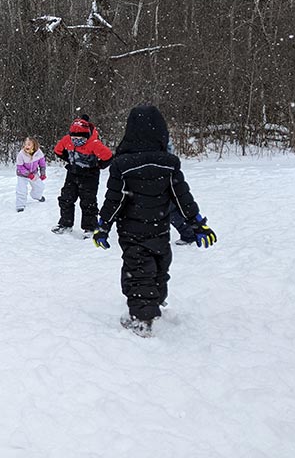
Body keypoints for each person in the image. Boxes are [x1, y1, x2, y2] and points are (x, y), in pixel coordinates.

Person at [91, 105, 217, 337]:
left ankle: (142, 318)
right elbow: (182, 198)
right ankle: (155, 301)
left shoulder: (123, 164)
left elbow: (114, 200)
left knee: (138, 271)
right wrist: (196, 222)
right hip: (160, 230)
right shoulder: (168, 163)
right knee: (160, 267)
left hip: (132, 230)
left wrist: (103, 225)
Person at [51, 115, 113, 237]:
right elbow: (58, 151)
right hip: (72, 174)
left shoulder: (94, 143)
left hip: (90, 177)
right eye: (73, 137)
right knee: (66, 199)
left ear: (86, 136)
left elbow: (109, 157)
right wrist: (69, 160)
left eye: (80, 137)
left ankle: (90, 228)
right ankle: (65, 224)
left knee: (88, 202)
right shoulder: (66, 140)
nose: (76, 139)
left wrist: (98, 166)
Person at [15, 136, 47, 212]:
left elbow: (42, 164)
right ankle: (20, 205)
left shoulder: (39, 153)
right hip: (22, 175)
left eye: (29, 144)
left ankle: (36, 196)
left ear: (34, 145)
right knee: (22, 190)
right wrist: (28, 174)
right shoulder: (21, 154)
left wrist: (43, 174)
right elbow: (20, 167)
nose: (26, 146)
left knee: (40, 186)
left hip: (34, 173)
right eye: (25, 144)